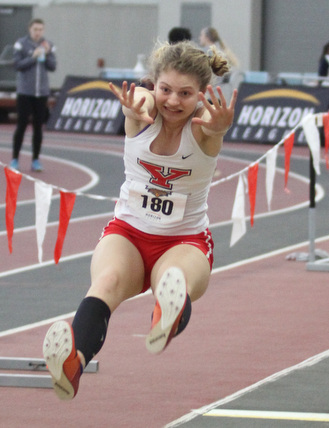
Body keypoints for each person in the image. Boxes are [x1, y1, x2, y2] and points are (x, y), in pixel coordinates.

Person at [43, 40, 237, 401]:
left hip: (184, 240)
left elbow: (211, 128)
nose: (174, 101)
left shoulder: (203, 128)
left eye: (185, 93)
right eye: (166, 89)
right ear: (153, 84)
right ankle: (73, 362)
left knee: (172, 279)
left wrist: (220, 127)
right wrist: (142, 102)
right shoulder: (142, 109)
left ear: (202, 94)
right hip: (129, 232)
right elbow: (145, 103)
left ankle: (167, 314)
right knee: (107, 282)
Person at [10, 18, 56, 172]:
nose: (38, 32)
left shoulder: (48, 44)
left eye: (40, 29)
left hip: (41, 93)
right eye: (35, 29)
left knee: (38, 128)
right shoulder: (21, 43)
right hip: (25, 92)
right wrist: (33, 56)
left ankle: (35, 159)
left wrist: (48, 53)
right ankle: (15, 158)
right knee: (21, 126)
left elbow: (53, 66)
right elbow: (17, 65)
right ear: (30, 29)